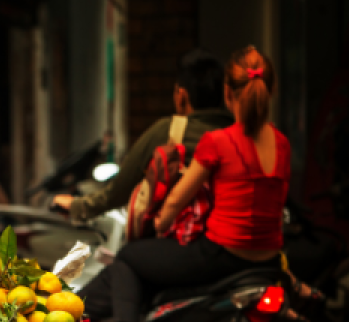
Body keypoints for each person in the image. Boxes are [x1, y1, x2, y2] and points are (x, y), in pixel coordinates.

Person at [79, 46, 290, 322]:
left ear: (228, 93)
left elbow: (178, 198)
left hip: (220, 256)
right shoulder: (282, 143)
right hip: (267, 261)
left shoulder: (218, 142)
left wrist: (162, 222)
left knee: (131, 257)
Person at [53, 49, 232, 220]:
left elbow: (119, 190)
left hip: (187, 240)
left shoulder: (170, 130)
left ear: (181, 95)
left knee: (129, 253)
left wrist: (78, 206)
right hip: (238, 239)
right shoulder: (239, 132)